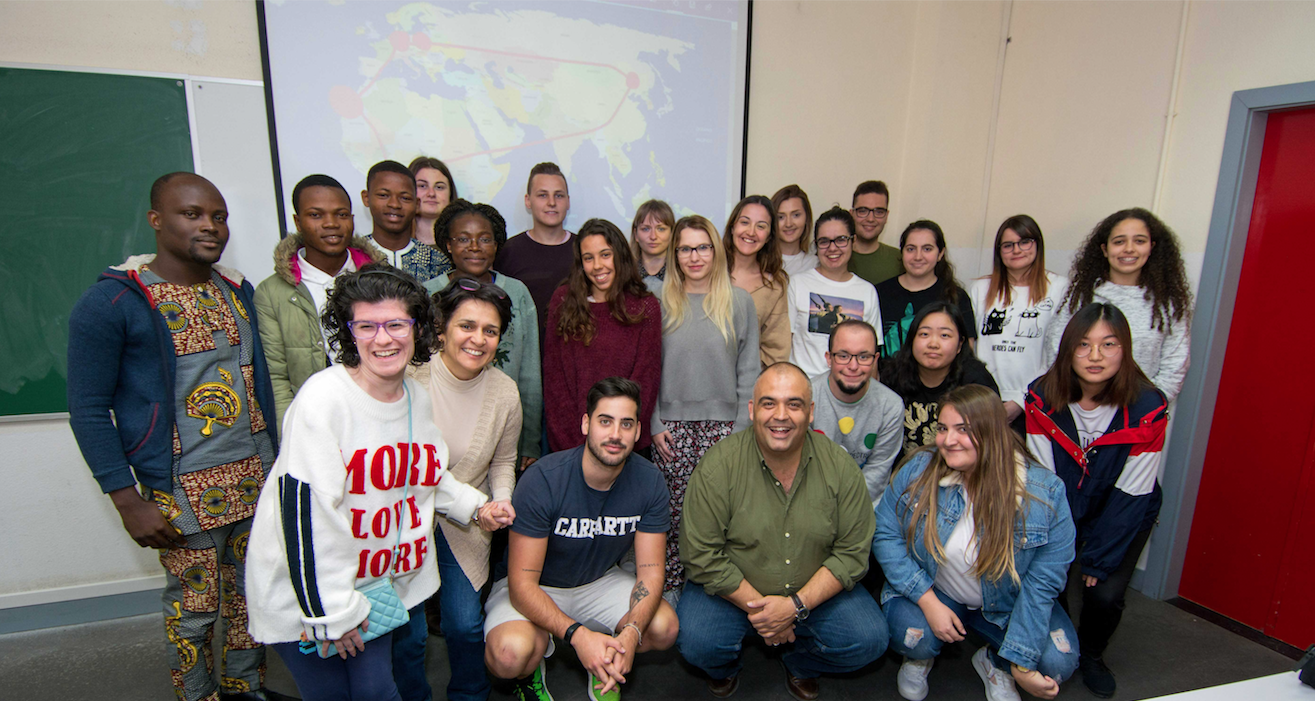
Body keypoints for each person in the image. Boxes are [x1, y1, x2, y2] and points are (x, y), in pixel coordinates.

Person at [68, 172, 279, 701]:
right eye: (192, 214)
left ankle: (244, 688)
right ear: (156, 220)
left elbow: (258, 387)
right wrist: (126, 499)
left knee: (251, 600)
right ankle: (197, 696)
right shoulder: (115, 302)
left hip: (254, 478)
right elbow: (89, 410)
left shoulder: (236, 291)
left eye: (219, 216)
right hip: (180, 492)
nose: (210, 226)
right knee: (194, 609)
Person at [245, 265, 501, 701]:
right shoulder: (323, 400)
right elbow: (307, 517)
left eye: (397, 324)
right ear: (349, 333)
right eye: (367, 325)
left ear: (419, 329)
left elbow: (423, 474)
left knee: (377, 690)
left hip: (372, 590)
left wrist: (475, 506)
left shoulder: (414, 397)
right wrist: (332, 613)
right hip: (311, 596)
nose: (383, 339)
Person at [678, 363, 888, 701]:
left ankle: (800, 663)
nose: (781, 415)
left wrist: (794, 607)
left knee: (869, 639)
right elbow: (700, 553)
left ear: (810, 412)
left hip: (814, 594)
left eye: (794, 404)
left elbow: (852, 553)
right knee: (695, 642)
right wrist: (766, 612)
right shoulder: (718, 465)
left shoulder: (840, 467)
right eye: (768, 403)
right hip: (732, 594)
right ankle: (725, 668)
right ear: (751, 409)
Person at [874, 385, 1078, 701]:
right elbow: (885, 534)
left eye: (963, 430)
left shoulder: (1045, 493)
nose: (948, 440)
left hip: (1006, 603)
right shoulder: (919, 468)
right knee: (914, 637)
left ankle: (995, 662)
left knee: (1056, 663)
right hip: (935, 590)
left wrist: (1020, 663)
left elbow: (1044, 582)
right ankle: (920, 656)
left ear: (994, 433)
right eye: (943, 428)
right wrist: (928, 602)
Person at [483, 378, 679, 701]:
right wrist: (576, 635)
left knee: (663, 627)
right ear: (586, 424)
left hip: (597, 581)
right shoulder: (544, 480)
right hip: (536, 586)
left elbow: (651, 572)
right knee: (509, 654)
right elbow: (522, 585)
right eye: (605, 421)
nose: (615, 434)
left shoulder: (650, 482)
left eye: (626, 424)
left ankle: (604, 658)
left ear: (638, 432)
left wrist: (631, 633)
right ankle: (536, 664)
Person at [1026, 303, 1168, 699]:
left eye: (1109, 345)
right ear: (1068, 349)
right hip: (1062, 503)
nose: (1095, 356)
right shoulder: (1042, 397)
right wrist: (1062, 546)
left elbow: (1133, 491)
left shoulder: (1148, 408)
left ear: (1125, 350)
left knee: (1103, 592)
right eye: (1084, 345)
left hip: (1124, 508)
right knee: (1053, 578)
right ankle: (1063, 642)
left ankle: (1091, 654)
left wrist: (1100, 557)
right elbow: (1043, 479)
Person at [402, 278, 523, 701]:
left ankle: (470, 695)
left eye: (490, 331)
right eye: (466, 326)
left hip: (467, 521)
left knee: (464, 624)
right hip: (405, 516)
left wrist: (502, 499)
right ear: (442, 329)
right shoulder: (408, 376)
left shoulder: (505, 392)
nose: (478, 339)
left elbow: (504, 461)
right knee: (409, 629)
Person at [651, 215, 759, 594]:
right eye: (684, 249)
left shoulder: (739, 301)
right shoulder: (657, 299)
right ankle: (672, 589)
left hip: (725, 429)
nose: (694, 256)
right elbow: (647, 370)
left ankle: (716, 588)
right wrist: (653, 424)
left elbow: (749, 372)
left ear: (715, 250)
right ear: (674, 254)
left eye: (702, 247)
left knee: (720, 515)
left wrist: (741, 432)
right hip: (670, 428)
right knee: (674, 515)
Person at [256, 174, 385, 428]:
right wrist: (291, 438)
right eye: (316, 215)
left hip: (379, 415)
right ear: (298, 221)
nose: (331, 224)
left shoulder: (382, 280)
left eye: (341, 215)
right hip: (313, 421)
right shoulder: (272, 293)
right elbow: (277, 378)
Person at [423, 200, 542, 468]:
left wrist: (531, 438)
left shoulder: (517, 292)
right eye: (463, 239)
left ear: (497, 244)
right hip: (441, 425)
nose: (475, 247)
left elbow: (530, 373)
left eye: (485, 239)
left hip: (503, 426)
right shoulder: (429, 294)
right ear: (448, 244)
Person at [1044, 208, 1192, 403]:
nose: (1129, 249)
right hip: (1080, 409)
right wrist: (1080, 403)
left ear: (1151, 247)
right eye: (1119, 241)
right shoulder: (1082, 295)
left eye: (1139, 241)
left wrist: (1148, 407)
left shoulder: (1168, 303)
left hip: (1139, 417)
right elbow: (1057, 349)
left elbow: (1175, 365)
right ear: (1105, 250)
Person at [543, 219, 662, 454]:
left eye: (605, 254)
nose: (597, 265)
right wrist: (576, 445)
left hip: (627, 444)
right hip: (570, 445)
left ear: (619, 255)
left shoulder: (645, 306)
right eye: (588, 258)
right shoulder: (564, 300)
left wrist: (619, 438)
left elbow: (645, 383)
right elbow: (554, 381)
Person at [968, 215, 1069, 424]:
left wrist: (1021, 400)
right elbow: (971, 348)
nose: (1016, 250)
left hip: (1039, 398)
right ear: (999, 251)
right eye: (1008, 245)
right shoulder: (980, 289)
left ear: (1037, 245)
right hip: (985, 398)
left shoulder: (1059, 287)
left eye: (1025, 241)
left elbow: (1061, 351)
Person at [880, 302, 1000, 455]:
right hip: (903, 473)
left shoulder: (975, 380)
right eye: (924, 334)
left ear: (959, 345)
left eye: (945, 335)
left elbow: (991, 442)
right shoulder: (892, 376)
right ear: (911, 340)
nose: (933, 344)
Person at [810, 320, 903, 509]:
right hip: (812, 503)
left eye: (863, 356)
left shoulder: (890, 406)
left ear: (875, 359)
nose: (853, 366)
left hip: (864, 506)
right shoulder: (806, 396)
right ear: (829, 358)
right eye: (843, 356)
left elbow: (877, 472)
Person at [787, 206, 883, 378]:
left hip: (850, 391)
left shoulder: (867, 291)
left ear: (853, 242)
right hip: (803, 388)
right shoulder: (798, 283)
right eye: (824, 241)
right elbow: (784, 343)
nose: (832, 248)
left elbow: (872, 356)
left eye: (840, 240)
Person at [494, 162, 575, 340]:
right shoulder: (508, 252)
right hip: (523, 359)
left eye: (559, 195)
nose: (552, 203)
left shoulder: (584, 250)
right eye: (542, 195)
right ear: (528, 201)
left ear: (568, 201)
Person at [875, 220, 975, 358]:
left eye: (927, 249)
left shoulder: (957, 296)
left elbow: (967, 355)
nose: (918, 256)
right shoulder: (878, 293)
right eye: (911, 249)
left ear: (940, 254)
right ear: (902, 252)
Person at [725, 194, 790, 368]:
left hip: (748, 385)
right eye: (744, 222)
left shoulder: (775, 286)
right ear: (732, 227)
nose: (751, 232)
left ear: (769, 236)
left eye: (761, 226)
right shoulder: (707, 271)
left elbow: (776, 351)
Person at [360, 160, 452, 283]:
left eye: (405, 198)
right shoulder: (354, 255)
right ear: (366, 198)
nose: (394, 204)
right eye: (383, 195)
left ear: (417, 204)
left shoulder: (436, 262)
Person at [848, 180, 902, 286]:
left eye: (879, 212)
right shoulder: (835, 255)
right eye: (863, 211)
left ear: (887, 216)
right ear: (852, 214)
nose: (871, 219)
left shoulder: (899, 259)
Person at [408, 156, 456, 248]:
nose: (431, 193)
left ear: (450, 193)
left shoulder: (462, 245)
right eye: (422, 186)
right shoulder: (394, 243)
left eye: (439, 187)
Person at [771, 184, 818, 277]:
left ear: (807, 218)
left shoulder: (816, 265)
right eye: (781, 217)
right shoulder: (760, 262)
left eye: (796, 215)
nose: (788, 224)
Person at [631, 199, 675, 291]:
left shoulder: (683, 274)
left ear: (672, 233)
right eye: (646, 229)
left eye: (661, 229)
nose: (653, 236)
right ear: (636, 235)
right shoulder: (624, 275)